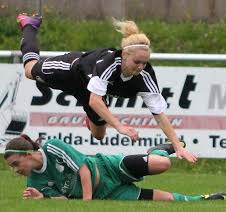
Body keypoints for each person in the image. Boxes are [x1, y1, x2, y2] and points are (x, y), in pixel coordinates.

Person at [16, 14, 197, 163]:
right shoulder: (109, 64)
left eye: (145, 62)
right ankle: (29, 25)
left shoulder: (145, 76)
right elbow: (96, 101)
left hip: (92, 92)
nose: (141, 66)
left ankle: (91, 118)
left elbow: (159, 114)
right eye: (137, 62)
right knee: (30, 70)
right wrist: (119, 126)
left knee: (99, 135)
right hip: (72, 73)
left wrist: (178, 146)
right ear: (124, 55)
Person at [4, 135, 226, 201]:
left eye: (16, 164)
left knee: (164, 163)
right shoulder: (34, 183)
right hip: (109, 193)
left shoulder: (52, 147)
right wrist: (42, 199)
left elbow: (83, 168)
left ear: (28, 154)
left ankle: (160, 149)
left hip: (109, 168)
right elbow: (63, 201)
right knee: (167, 201)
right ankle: (204, 200)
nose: (16, 170)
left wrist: (87, 203)